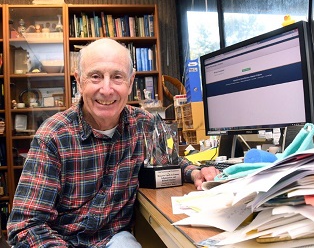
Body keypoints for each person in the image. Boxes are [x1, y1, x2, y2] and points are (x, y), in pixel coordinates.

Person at [7, 38, 219, 247]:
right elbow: (26, 226)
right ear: (79, 81)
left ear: (130, 82)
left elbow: (169, 161)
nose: (107, 90)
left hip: (114, 238)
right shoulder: (53, 136)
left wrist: (194, 172)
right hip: (60, 240)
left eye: (117, 77)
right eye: (96, 77)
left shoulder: (144, 124)